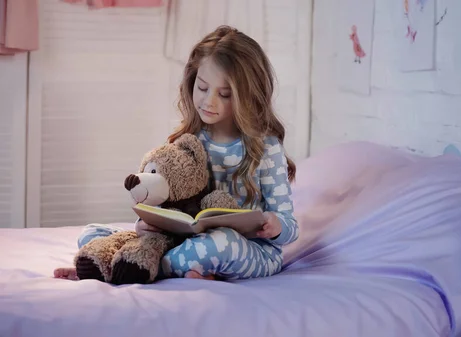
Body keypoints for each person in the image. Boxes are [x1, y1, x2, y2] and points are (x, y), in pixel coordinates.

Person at [54, 25, 299, 282]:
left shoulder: (266, 148)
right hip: (186, 239)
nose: (209, 102)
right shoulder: (191, 138)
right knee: (92, 233)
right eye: (202, 88)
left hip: (249, 250)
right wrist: (146, 224)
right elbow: (165, 201)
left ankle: (122, 267)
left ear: (248, 97)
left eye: (224, 94)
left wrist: (276, 225)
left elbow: (290, 226)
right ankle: (134, 261)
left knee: (220, 244)